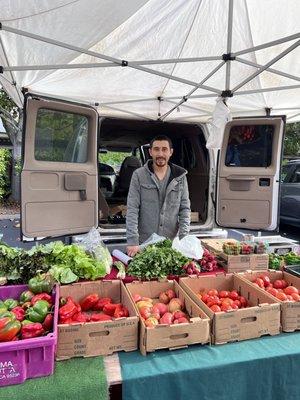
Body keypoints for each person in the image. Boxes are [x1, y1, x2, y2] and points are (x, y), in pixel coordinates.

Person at [126, 135, 191, 257]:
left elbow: (185, 209)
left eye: (164, 149)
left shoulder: (180, 177)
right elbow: (132, 209)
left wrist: (184, 238)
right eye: (156, 149)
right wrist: (132, 240)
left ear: (171, 152)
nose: (160, 153)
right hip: (144, 243)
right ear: (150, 152)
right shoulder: (139, 175)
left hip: (170, 243)